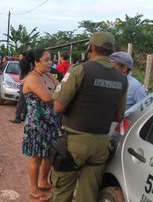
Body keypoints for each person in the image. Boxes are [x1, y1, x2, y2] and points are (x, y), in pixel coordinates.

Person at [51, 31, 128, 202]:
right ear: (111, 51)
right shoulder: (122, 79)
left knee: (62, 191)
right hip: (101, 144)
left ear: (91, 47)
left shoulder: (80, 70)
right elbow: (118, 116)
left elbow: (58, 106)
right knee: (88, 194)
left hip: (75, 142)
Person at [20, 49, 60, 200]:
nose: (51, 62)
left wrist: (58, 92)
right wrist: (58, 94)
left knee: (49, 154)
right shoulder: (32, 78)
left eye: (51, 59)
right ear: (36, 62)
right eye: (47, 59)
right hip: (37, 123)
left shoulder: (47, 75)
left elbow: (60, 88)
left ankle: (43, 181)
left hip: (50, 121)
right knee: (36, 157)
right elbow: (47, 98)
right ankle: (33, 188)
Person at [9, 51, 29, 124]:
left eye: (21, 57)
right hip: (29, 84)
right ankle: (24, 117)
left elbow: (20, 76)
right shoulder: (30, 64)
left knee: (21, 100)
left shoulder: (22, 64)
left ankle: (17, 117)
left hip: (24, 83)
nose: (19, 58)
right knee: (26, 101)